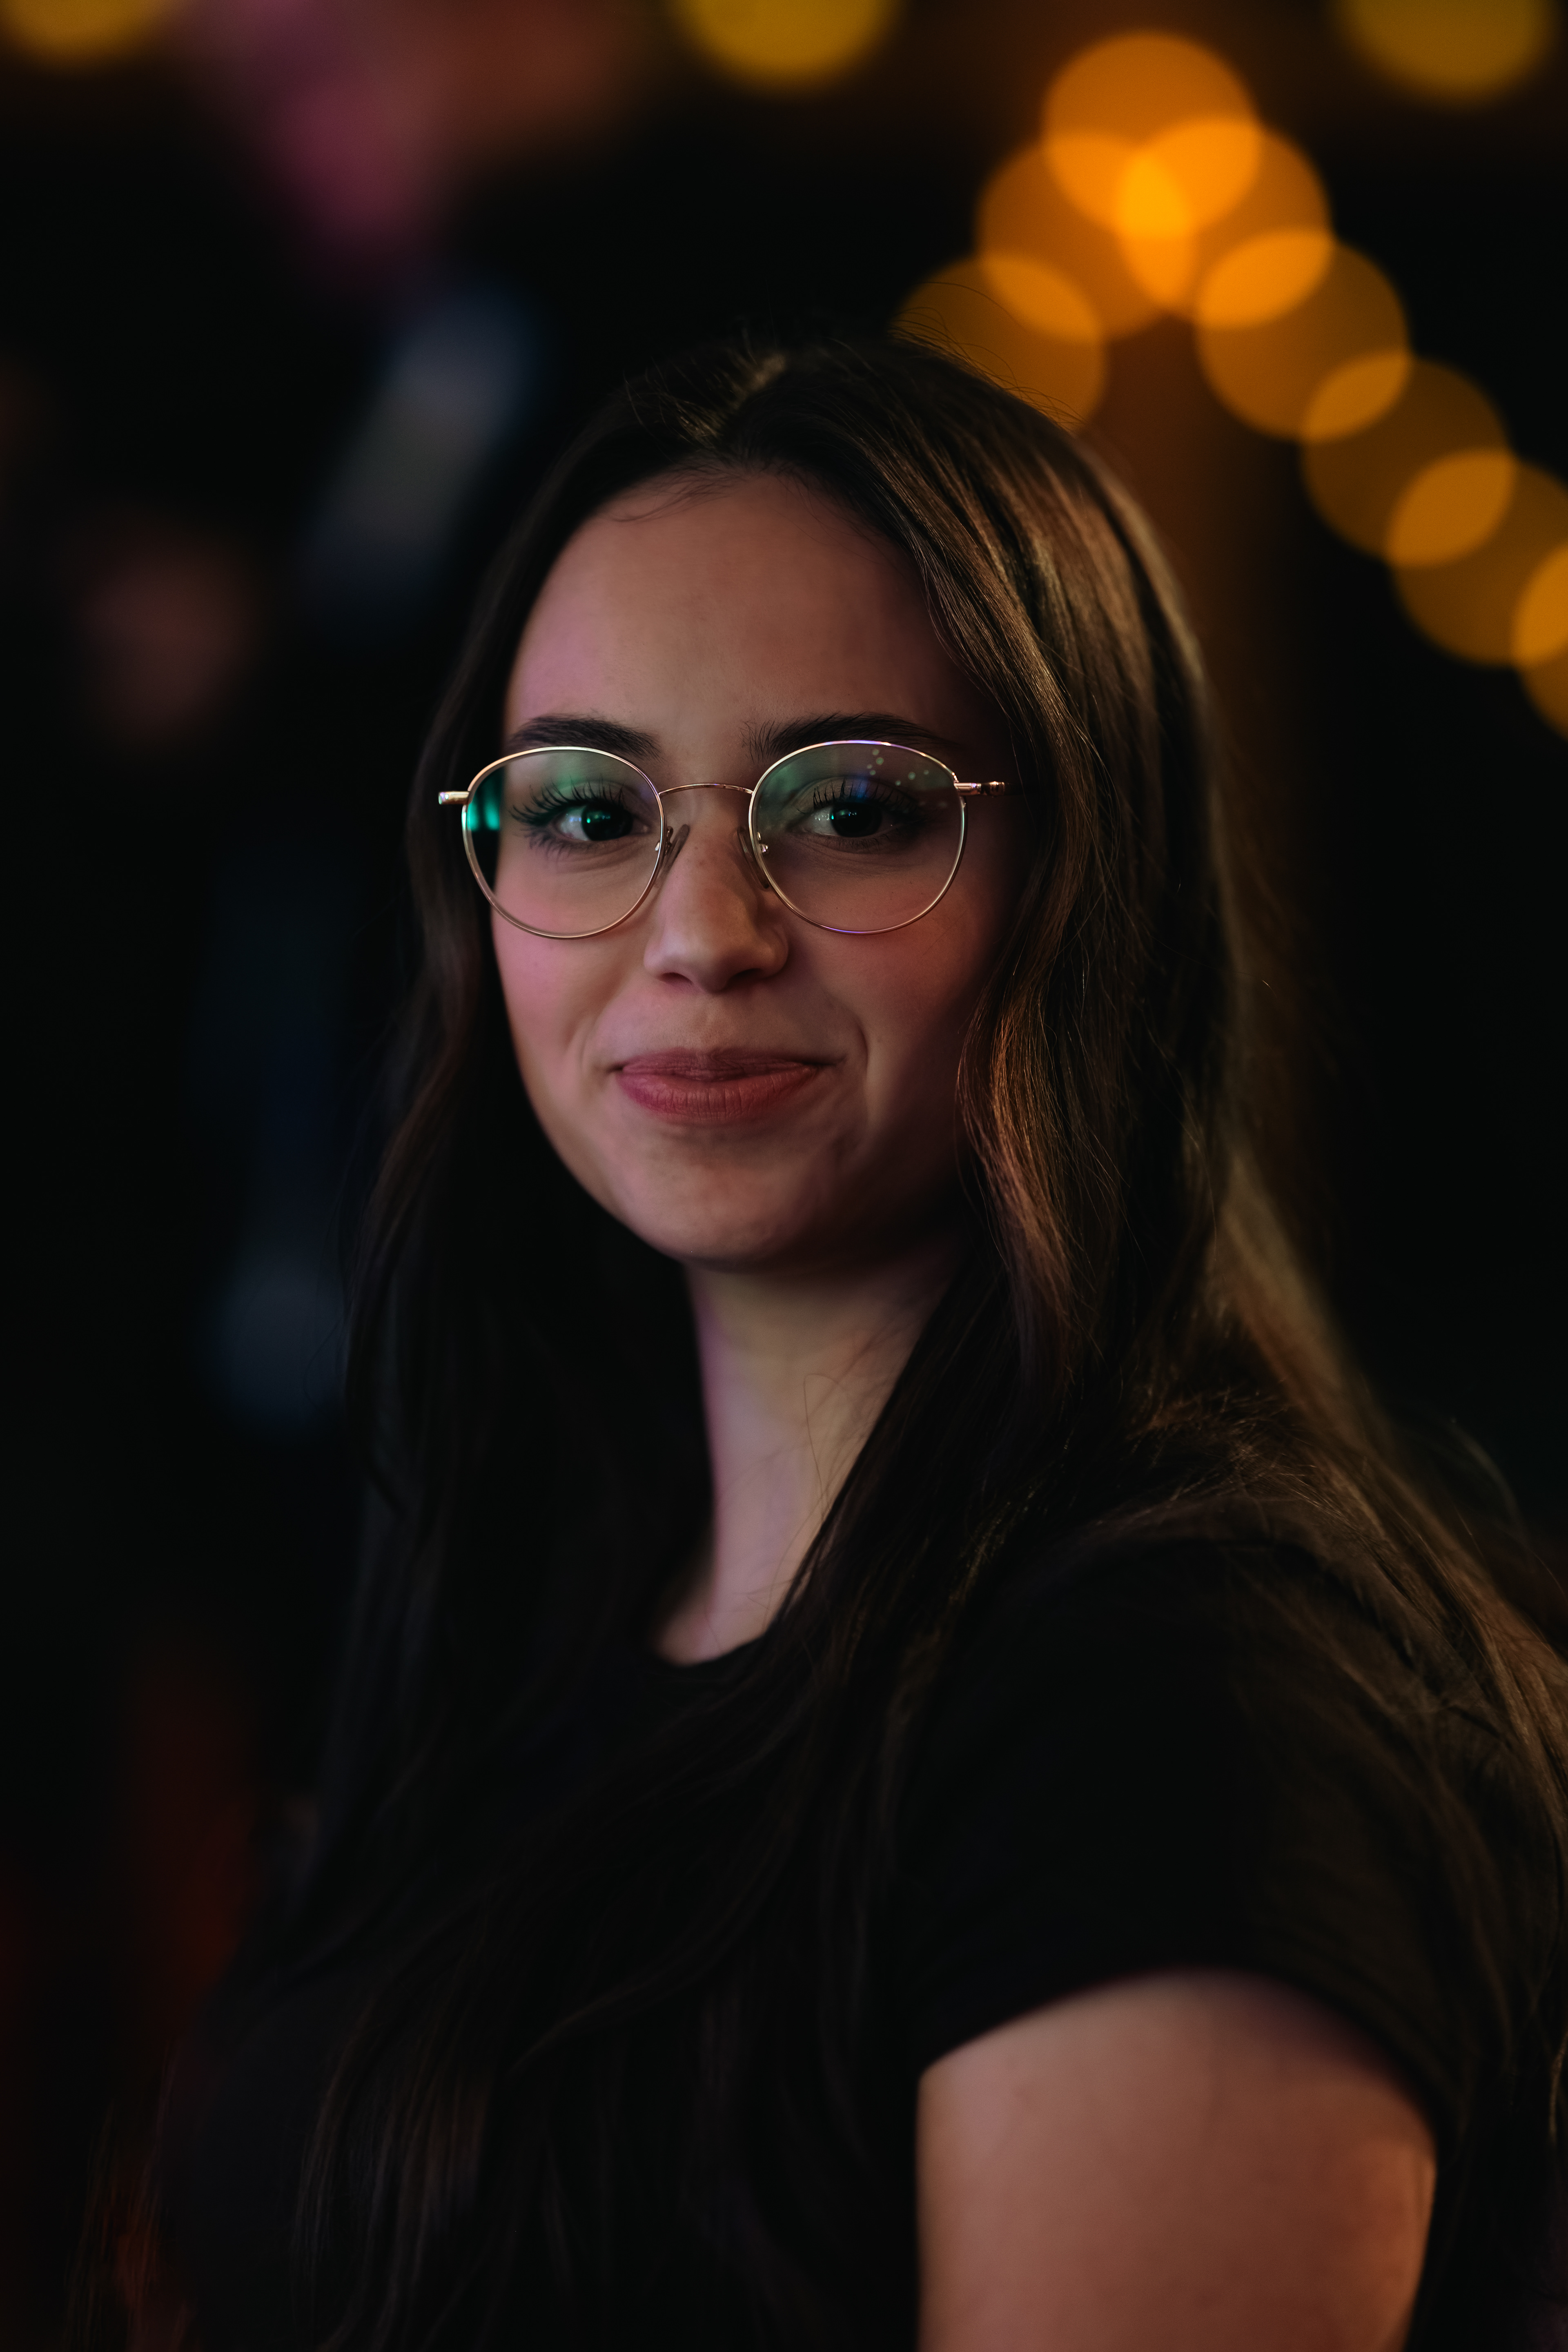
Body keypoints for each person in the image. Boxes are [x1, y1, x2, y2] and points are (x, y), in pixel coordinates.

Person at [125, 338, 1568, 2351]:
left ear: (1084, 877)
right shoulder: (516, 1599)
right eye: (585, 807)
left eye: (857, 808)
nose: (702, 930)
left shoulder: (1182, 1707)